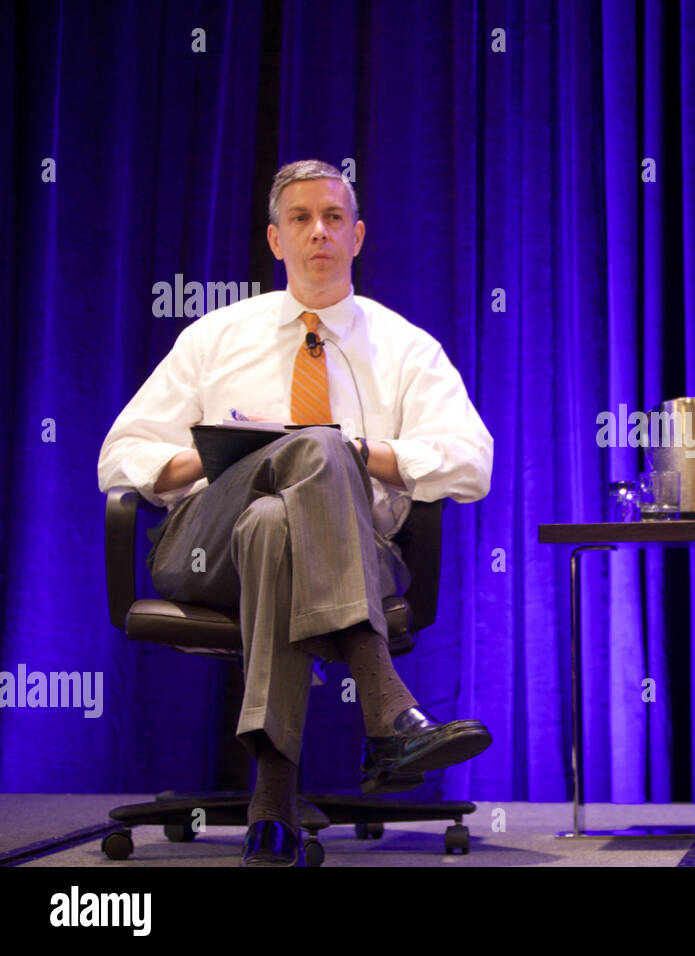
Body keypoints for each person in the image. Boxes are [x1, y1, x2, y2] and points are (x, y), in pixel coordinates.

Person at [98, 159, 494, 866]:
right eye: (301, 219)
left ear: (357, 236)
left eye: (334, 218)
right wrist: (218, 456)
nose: (319, 232)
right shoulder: (215, 337)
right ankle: (386, 707)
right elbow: (119, 456)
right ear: (275, 239)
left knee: (277, 524)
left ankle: (272, 804)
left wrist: (362, 454)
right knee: (302, 459)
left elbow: (472, 462)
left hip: (352, 552)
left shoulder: (405, 348)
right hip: (205, 551)